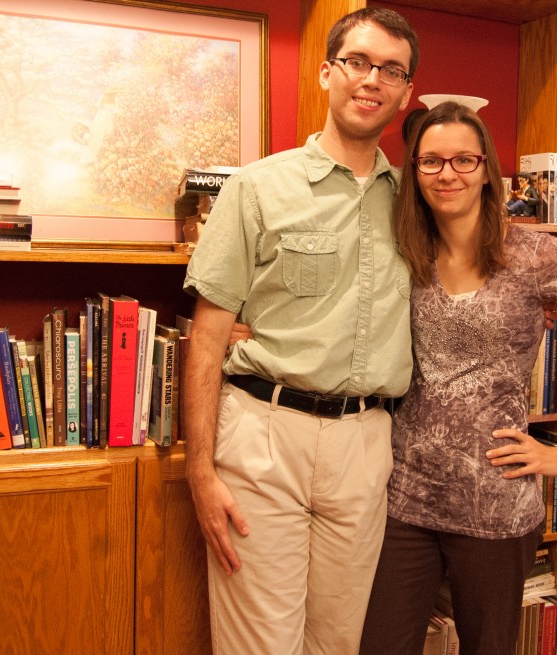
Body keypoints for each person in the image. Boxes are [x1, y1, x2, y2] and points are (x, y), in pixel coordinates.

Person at [358, 101, 557, 655]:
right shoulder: (403, 253)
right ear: (413, 172)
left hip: (495, 504)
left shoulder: (536, 254)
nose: (448, 173)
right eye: (431, 162)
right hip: (404, 499)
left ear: (488, 169)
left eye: (464, 160)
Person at [181, 8, 419, 654]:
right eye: (359, 62)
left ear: (406, 94)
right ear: (327, 73)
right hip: (264, 440)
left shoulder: (415, 208)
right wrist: (199, 472)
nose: (372, 80)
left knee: (337, 646)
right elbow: (206, 339)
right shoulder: (257, 188)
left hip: (367, 447)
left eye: (391, 71)